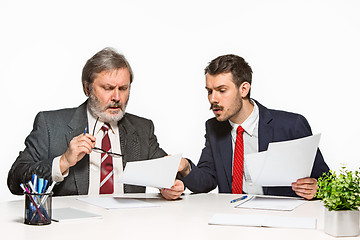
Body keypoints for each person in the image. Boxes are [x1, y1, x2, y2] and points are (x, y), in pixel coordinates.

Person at [7, 47, 183, 200]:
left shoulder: (142, 129)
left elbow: (166, 172)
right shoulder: (51, 125)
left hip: (128, 227)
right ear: (87, 88)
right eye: (108, 88)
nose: (116, 97)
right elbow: (15, 180)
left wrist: (170, 187)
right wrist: (63, 161)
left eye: (123, 88)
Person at [177, 54, 329, 200]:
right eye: (209, 91)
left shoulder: (291, 125)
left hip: (281, 218)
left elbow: (327, 180)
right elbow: (207, 181)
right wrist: (186, 168)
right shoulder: (214, 127)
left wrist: (318, 188)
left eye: (222, 91)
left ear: (244, 89)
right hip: (231, 215)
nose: (213, 99)